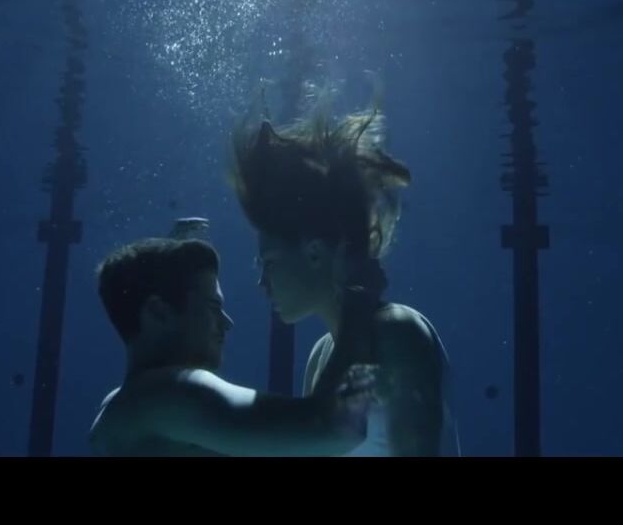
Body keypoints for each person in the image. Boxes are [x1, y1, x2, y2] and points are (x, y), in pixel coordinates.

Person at [228, 95, 461, 457]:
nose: (262, 284)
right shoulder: (321, 355)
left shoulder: (400, 332)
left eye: (268, 263)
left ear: (315, 253)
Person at [87, 233, 377, 457]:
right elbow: (334, 429)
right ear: (158, 312)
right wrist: (358, 313)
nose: (227, 323)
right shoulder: (168, 394)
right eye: (213, 307)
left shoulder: (118, 408)